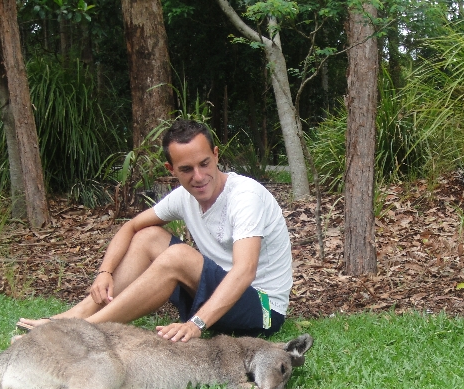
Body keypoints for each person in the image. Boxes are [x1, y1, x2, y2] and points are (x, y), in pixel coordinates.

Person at [17, 119, 293, 342]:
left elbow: (245, 271)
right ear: (171, 169)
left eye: (204, 163)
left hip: (264, 310)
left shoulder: (245, 196)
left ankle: (78, 331)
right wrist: (105, 272)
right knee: (148, 235)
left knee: (178, 256)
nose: (198, 176)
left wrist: (197, 323)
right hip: (220, 297)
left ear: (216, 155)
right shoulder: (184, 197)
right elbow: (130, 226)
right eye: (186, 169)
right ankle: (75, 316)